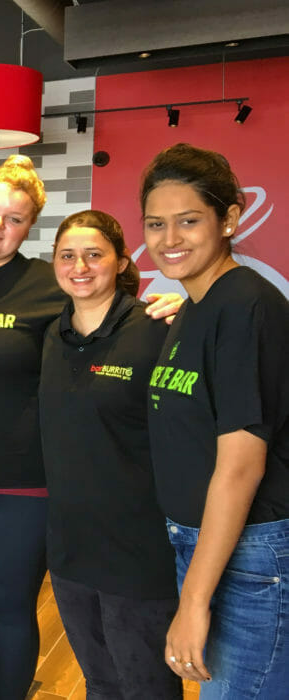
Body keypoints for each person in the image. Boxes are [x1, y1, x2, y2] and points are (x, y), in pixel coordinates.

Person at [0, 155, 181, 699]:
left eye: (15, 219)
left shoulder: (46, 286)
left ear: (30, 228)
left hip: (24, 487)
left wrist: (170, 306)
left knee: (10, 611)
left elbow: (105, 316)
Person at [141, 143, 289, 695]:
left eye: (188, 221)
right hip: (206, 544)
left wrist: (195, 602)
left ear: (229, 219)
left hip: (250, 554)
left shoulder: (247, 305)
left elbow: (241, 467)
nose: (169, 239)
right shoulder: (196, 306)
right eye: (156, 223)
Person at [39, 210, 182, 699]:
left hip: (138, 551)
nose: (80, 266)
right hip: (69, 548)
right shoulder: (50, 337)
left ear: (121, 261)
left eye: (94, 254)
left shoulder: (158, 329)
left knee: (146, 687)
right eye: (67, 255)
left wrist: (194, 313)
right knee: (100, 683)